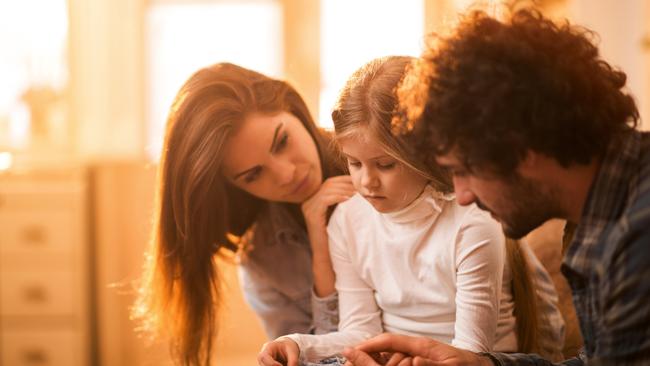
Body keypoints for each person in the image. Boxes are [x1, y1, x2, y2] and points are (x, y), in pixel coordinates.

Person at [343, 8, 650, 366]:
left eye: (464, 170)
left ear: (524, 147)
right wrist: (483, 364)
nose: (462, 195)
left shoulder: (637, 237)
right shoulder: (598, 212)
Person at [258, 56, 564, 366]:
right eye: (354, 163)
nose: (366, 182)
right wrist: (296, 342)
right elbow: (360, 331)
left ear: (425, 154)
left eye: (385, 164)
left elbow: (470, 354)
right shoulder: (348, 218)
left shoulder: (472, 219)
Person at [132, 63, 356, 366]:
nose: (287, 174)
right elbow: (313, 363)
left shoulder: (384, 158)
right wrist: (321, 253)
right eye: (253, 175)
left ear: (293, 108)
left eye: (282, 141)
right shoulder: (263, 260)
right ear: (234, 188)